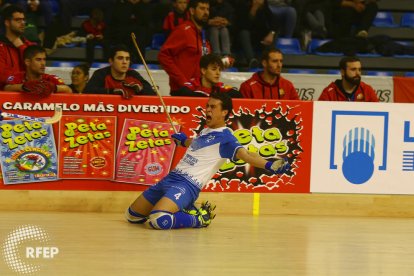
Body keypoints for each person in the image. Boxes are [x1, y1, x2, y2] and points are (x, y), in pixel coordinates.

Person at [125, 92, 289, 229]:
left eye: (213, 107)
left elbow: (246, 155)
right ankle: (186, 209)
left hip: (187, 185)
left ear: (224, 112)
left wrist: (269, 164)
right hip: (170, 178)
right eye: (207, 106)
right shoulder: (206, 130)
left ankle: (200, 218)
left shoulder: (227, 138)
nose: (207, 110)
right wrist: (184, 141)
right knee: (132, 216)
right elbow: (199, 145)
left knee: (158, 220)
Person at [158, 0, 211, 94]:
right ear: (192, 11)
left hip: (199, 90)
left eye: (207, 9)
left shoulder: (203, 34)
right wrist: (182, 81)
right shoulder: (183, 30)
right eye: (202, 8)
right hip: (183, 90)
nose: (206, 12)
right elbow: (163, 56)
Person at [84, 44, 155, 99]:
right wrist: (113, 91)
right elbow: (87, 91)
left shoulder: (133, 74)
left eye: (127, 59)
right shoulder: (101, 73)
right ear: (111, 61)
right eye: (120, 58)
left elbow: (152, 94)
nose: (125, 62)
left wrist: (140, 89)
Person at [3, 45, 72, 94]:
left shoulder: (50, 78)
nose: (43, 63)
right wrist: (24, 87)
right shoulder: (17, 77)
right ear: (28, 62)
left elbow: (69, 90)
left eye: (44, 59)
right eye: (38, 60)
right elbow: (6, 88)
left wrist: (54, 87)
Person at [173, 53, 241, 98]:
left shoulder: (219, 86)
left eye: (219, 70)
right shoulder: (193, 84)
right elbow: (181, 92)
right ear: (203, 71)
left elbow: (237, 94)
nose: (218, 73)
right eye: (214, 69)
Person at [0, 5, 36, 90]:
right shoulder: (1, 47)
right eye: (17, 20)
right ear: (7, 23)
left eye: (23, 19)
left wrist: (22, 47)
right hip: (5, 96)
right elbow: (2, 76)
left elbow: (36, 70)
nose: (23, 23)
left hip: (29, 94)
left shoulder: (30, 45)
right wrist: (23, 82)